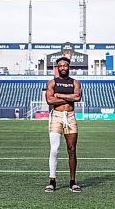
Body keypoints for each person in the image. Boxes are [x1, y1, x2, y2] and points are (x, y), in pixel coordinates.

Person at [44, 56, 82, 193]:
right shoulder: (52, 83)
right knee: (54, 149)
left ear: (69, 67)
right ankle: (52, 181)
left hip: (70, 117)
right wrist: (67, 98)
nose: (63, 68)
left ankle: (72, 182)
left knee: (72, 150)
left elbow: (77, 97)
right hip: (56, 117)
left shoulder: (75, 83)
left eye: (65, 66)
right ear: (57, 68)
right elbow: (49, 100)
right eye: (60, 66)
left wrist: (59, 95)